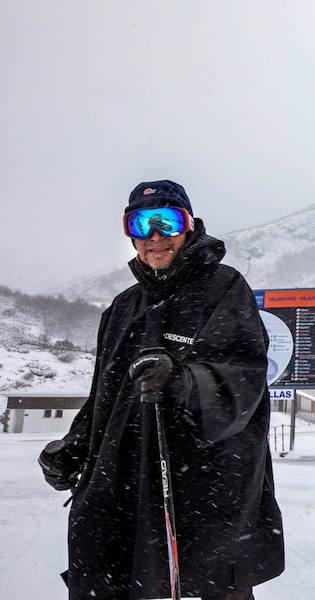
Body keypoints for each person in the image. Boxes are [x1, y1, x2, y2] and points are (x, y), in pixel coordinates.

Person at [37, 180, 284, 600]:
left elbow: (243, 374)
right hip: (124, 481)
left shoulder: (222, 288)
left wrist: (183, 378)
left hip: (200, 487)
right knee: (115, 577)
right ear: (129, 234)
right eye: (141, 224)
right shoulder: (122, 307)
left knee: (203, 582)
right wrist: (75, 446)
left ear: (188, 227)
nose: (155, 237)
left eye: (167, 222)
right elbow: (104, 396)